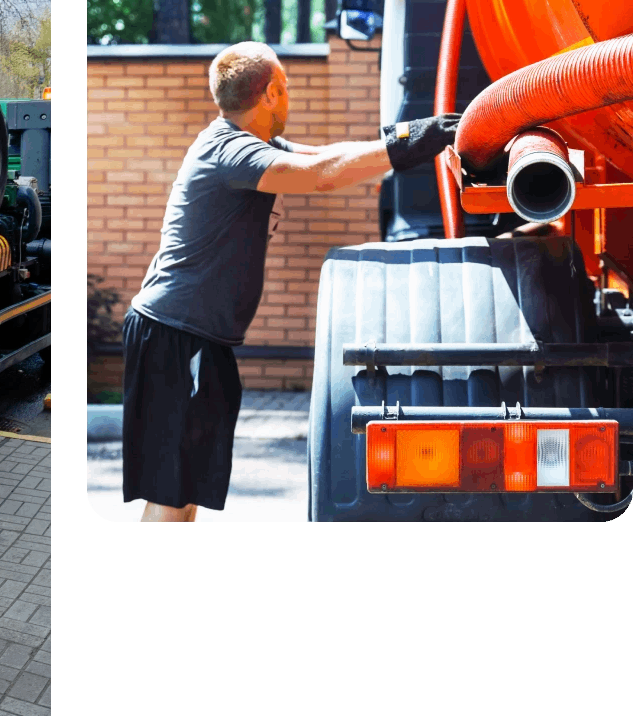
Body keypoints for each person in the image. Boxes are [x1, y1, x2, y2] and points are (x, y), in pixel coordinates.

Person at [121, 41, 460, 521]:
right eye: (288, 88)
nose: (290, 97)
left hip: (195, 336)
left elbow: (328, 154)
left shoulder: (252, 143)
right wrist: (412, 146)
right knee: (173, 496)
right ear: (272, 92)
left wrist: (410, 137)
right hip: (174, 335)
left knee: (188, 489)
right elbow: (320, 174)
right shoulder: (231, 152)